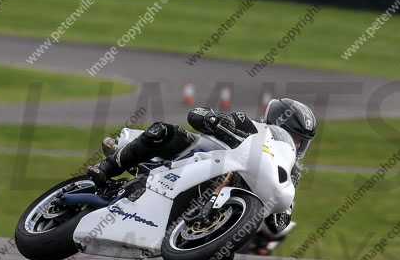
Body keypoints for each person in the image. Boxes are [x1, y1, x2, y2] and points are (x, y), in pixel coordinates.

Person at [87, 97, 316, 235]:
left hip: (226, 200)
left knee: (221, 259)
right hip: (196, 157)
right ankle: (106, 167)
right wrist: (213, 119)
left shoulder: (290, 172)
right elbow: (197, 114)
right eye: (294, 138)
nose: (296, 145)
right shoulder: (250, 125)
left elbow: (280, 220)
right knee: (165, 131)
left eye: (301, 142)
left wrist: (281, 212)